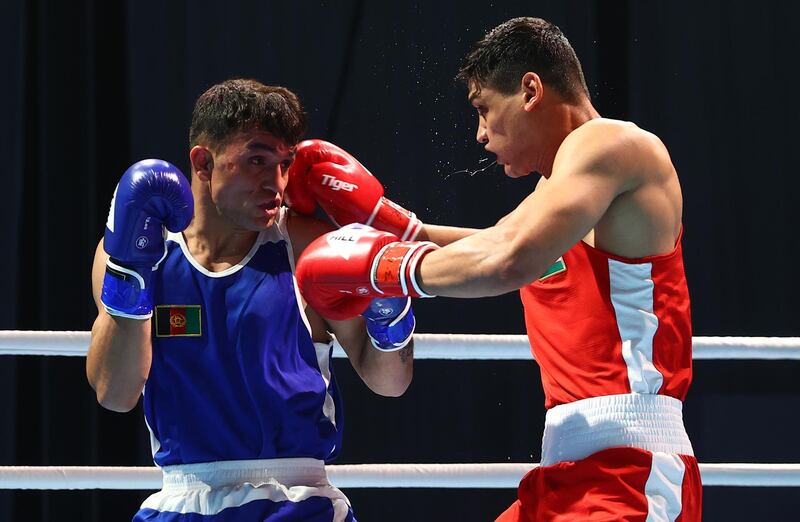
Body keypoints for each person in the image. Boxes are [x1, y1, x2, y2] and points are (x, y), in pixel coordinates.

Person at [289, 17, 701, 522]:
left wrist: (384, 266)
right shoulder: (554, 194)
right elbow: (491, 246)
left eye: (484, 110)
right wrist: (380, 220)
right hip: (569, 470)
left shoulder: (612, 144)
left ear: (530, 90)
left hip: (631, 471)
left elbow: (507, 261)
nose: (480, 134)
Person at [86, 78, 417, 521]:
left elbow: (389, 381)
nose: (275, 183)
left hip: (300, 501)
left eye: (284, 163)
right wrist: (130, 277)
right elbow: (115, 393)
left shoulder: (307, 246)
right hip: (183, 499)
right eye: (256, 160)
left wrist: (389, 304)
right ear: (203, 163)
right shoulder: (139, 251)